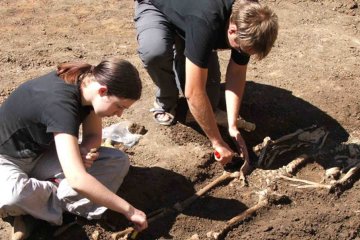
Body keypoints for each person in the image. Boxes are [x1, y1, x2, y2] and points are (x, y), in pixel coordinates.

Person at [0, 58, 148, 239]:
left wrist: (84, 150)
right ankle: (43, 207)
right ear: (103, 91)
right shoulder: (61, 104)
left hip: (43, 152)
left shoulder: (86, 86)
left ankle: (37, 208)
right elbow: (77, 179)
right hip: (7, 159)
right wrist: (129, 210)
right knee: (13, 197)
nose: (119, 114)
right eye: (119, 106)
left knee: (117, 161)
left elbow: (93, 136)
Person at [134, 0, 279, 168]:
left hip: (194, 17)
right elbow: (194, 93)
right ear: (232, 30)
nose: (242, 54)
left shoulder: (251, 15)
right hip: (157, 5)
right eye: (241, 50)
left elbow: (237, 71)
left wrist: (232, 125)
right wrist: (217, 142)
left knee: (208, 104)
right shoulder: (206, 22)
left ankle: (189, 48)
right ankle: (165, 100)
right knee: (155, 52)